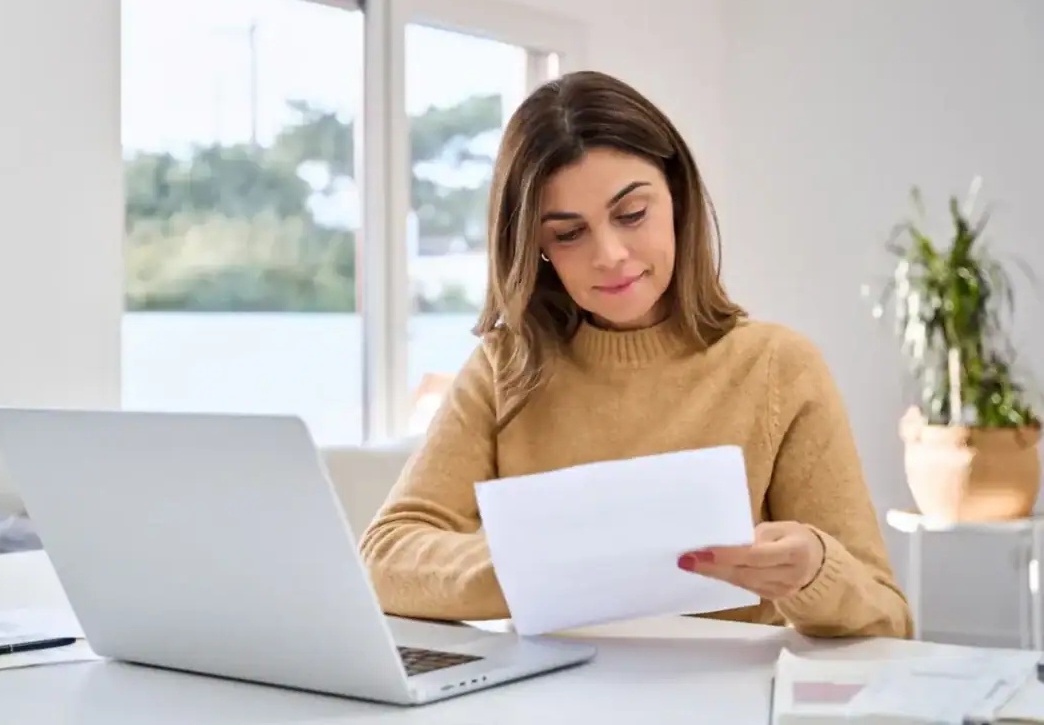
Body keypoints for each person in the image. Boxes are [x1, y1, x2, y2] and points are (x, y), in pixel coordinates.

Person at [358, 70, 912, 640]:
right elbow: (386, 557)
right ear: (536, 249)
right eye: (569, 234)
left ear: (676, 197)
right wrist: (555, 571)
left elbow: (888, 620)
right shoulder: (507, 366)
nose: (611, 255)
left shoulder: (778, 367)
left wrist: (815, 569)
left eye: (631, 214)